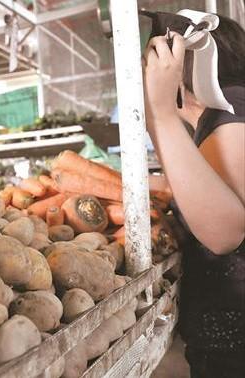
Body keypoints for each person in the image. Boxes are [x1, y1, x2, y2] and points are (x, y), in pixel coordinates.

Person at [143, 14, 244, 378]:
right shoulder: (226, 113)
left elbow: (224, 232)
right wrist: (160, 118)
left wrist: (163, 114)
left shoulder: (231, 109)